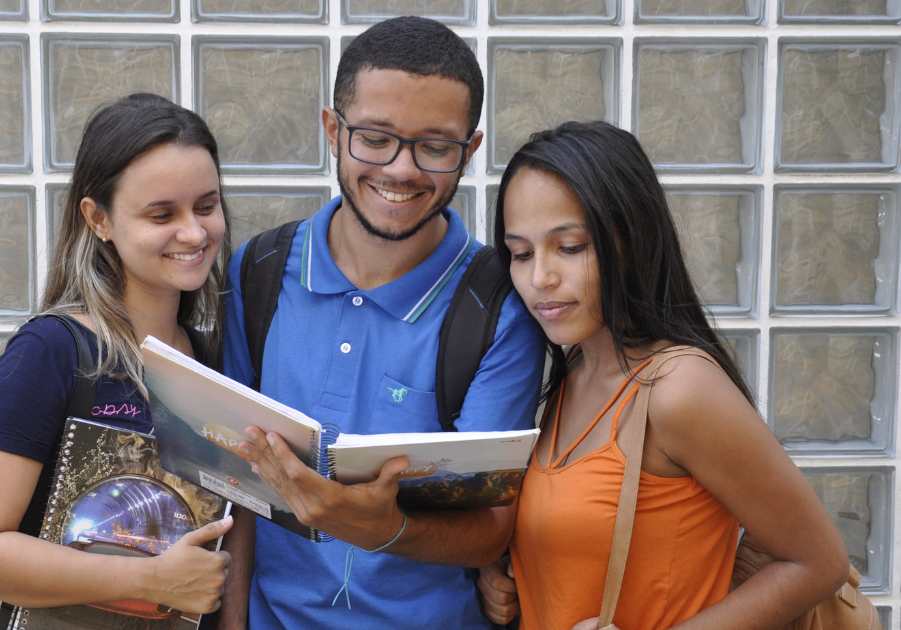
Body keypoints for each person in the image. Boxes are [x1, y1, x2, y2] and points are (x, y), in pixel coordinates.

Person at [222, 16, 545, 630]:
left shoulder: (498, 306)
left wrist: (371, 524)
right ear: (331, 130)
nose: (400, 169)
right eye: (375, 137)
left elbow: (487, 533)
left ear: (469, 153)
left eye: (434, 145)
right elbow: (235, 476)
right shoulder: (258, 269)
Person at [476, 121, 850, 630]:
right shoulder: (575, 372)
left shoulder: (679, 390)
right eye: (521, 254)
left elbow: (817, 563)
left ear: (632, 240)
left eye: (570, 247)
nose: (540, 276)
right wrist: (509, 577)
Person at [0, 93, 244, 621]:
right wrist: (151, 579)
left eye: (206, 206)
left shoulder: (217, 362)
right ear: (98, 219)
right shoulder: (51, 352)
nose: (194, 233)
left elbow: (233, 546)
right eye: (161, 213)